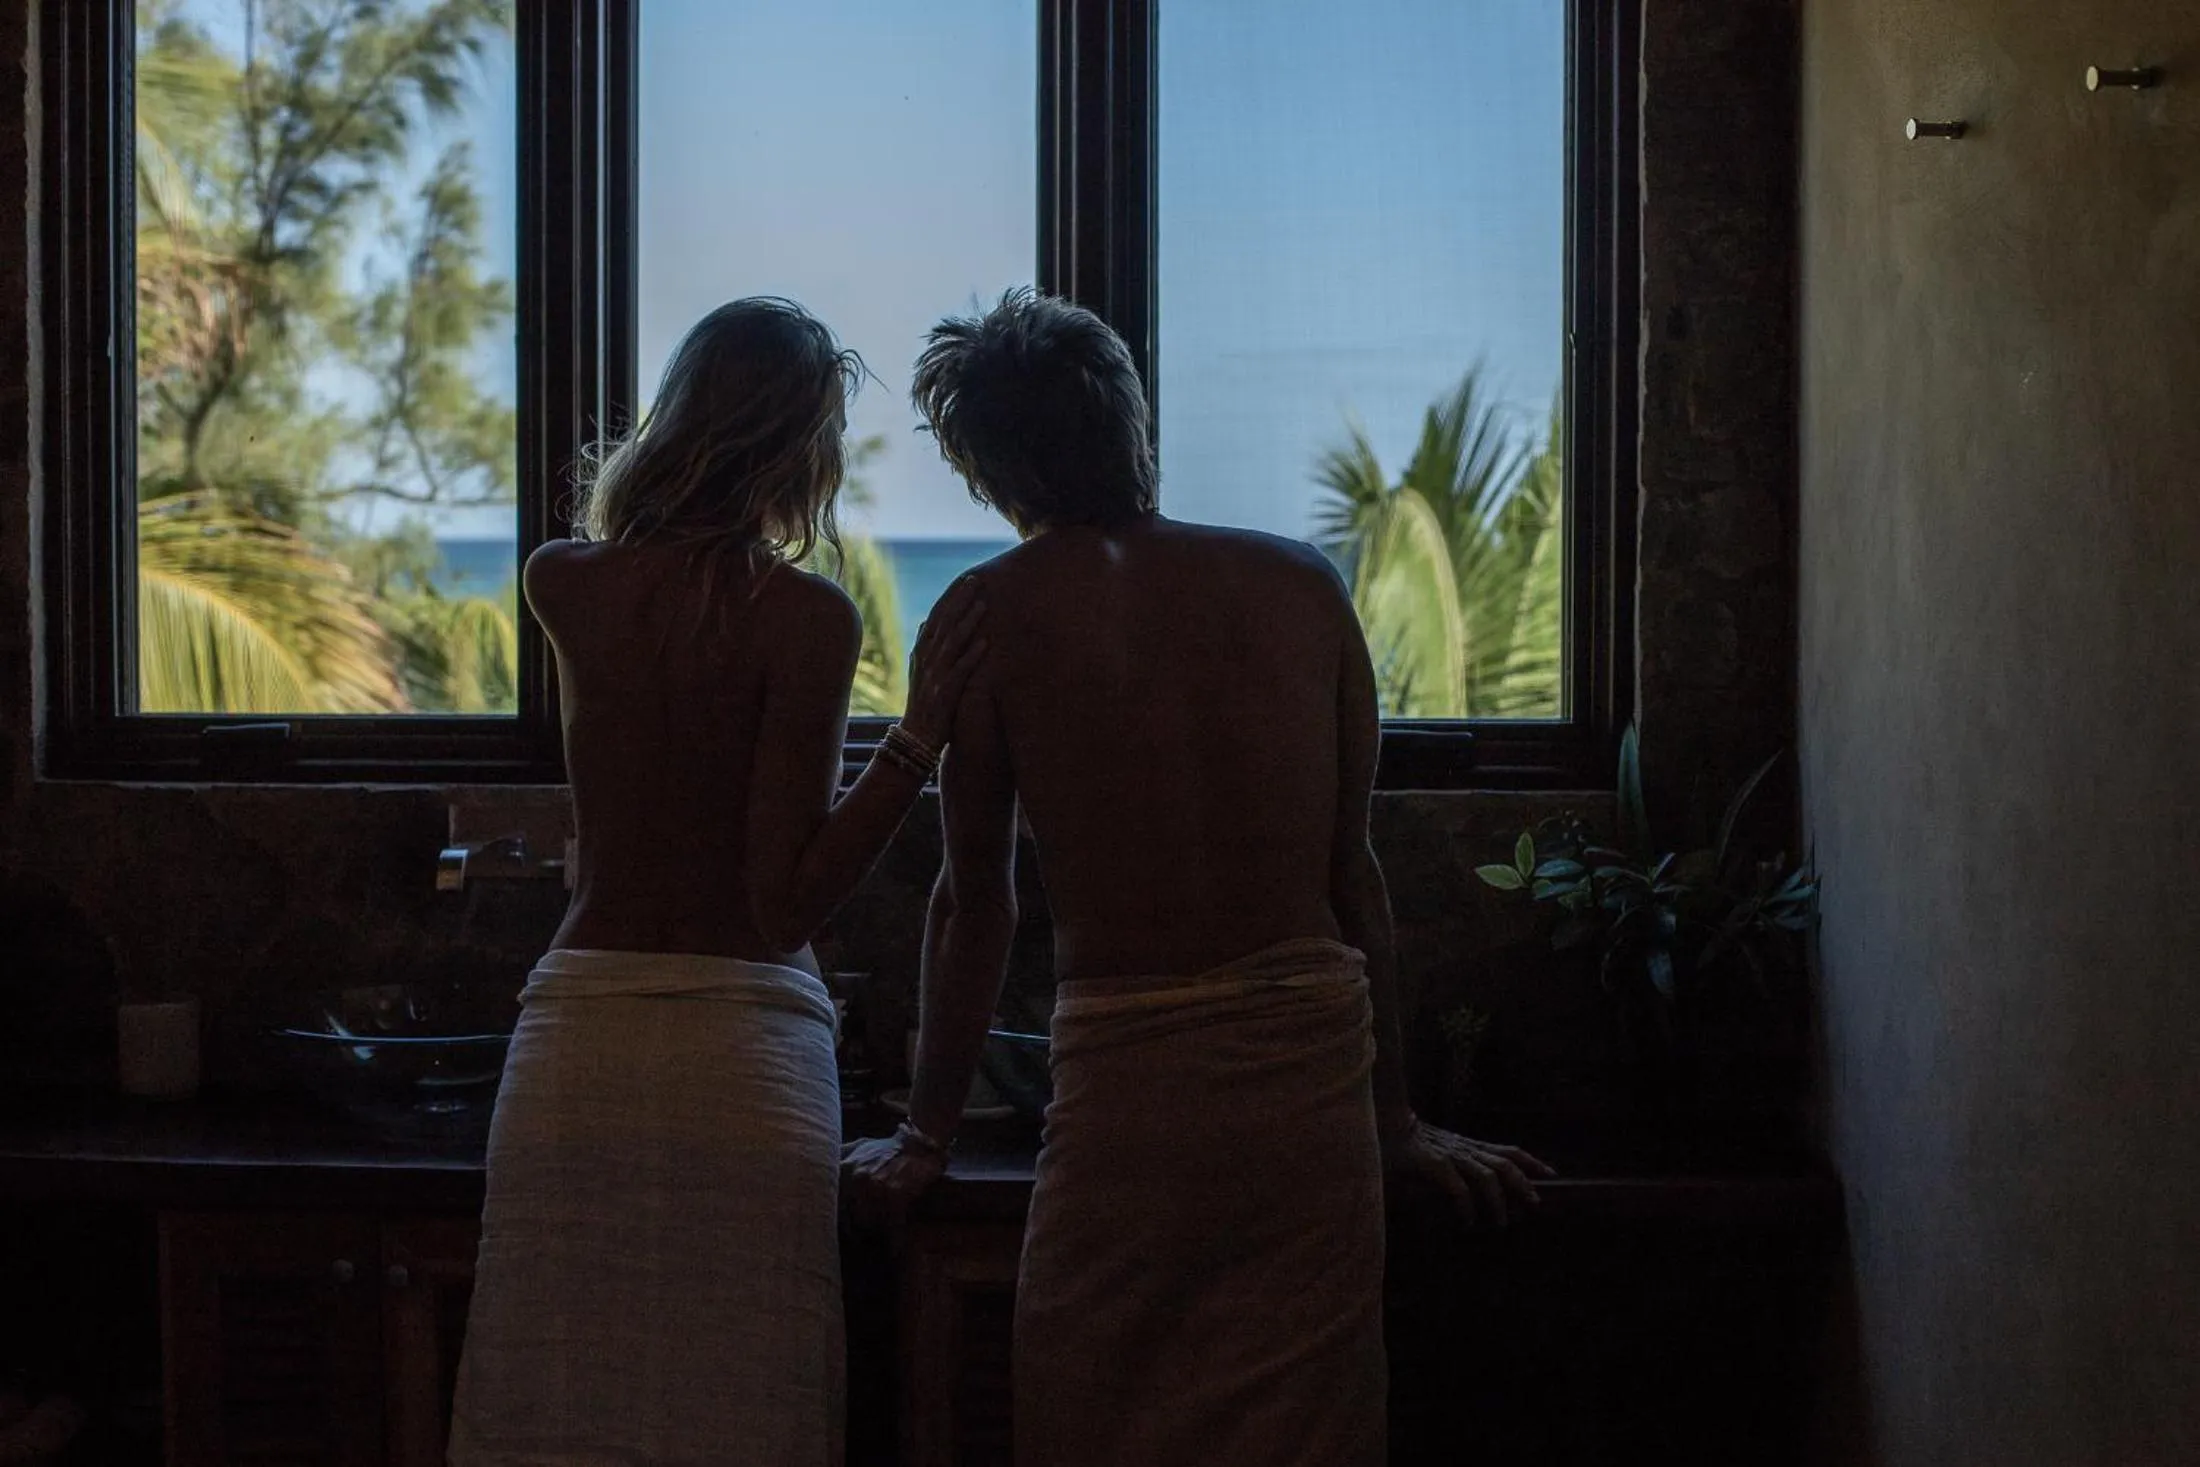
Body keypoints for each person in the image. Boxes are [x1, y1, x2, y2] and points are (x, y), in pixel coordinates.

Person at [842, 289, 1554, 1467]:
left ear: (983, 464)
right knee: (1301, 1428)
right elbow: (1351, 878)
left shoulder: (983, 616)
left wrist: (923, 1132)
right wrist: (1398, 1118)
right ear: (1131, 422)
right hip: (1309, 1086)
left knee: (1095, 1415)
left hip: (1132, 1094)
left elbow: (975, 901)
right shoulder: (1299, 586)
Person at [448, 298, 985, 1467]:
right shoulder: (806, 620)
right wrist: (915, 745)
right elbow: (784, 903)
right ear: (805, 450)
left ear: (677, 414)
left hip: (577, 1042)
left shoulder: (563, 582)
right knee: (748, 1413)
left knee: (547, 1415)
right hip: (745, 1056)